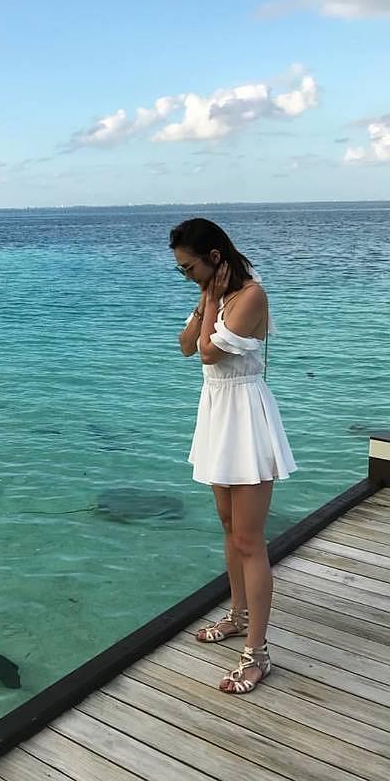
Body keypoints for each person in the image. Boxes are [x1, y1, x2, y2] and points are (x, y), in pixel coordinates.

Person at [169, 217, 296, 694]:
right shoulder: (215, 296)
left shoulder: (250, 296)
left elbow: (208, 353)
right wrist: (206, 300)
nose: (186, 276)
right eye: (181, 270)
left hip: (245, 415)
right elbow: (185, 346)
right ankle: (239, 615)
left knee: (249, 538)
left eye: (189, 268)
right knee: (228, 526)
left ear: (215, 258)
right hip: (217, 413)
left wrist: (208, 302)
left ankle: (258, 653)